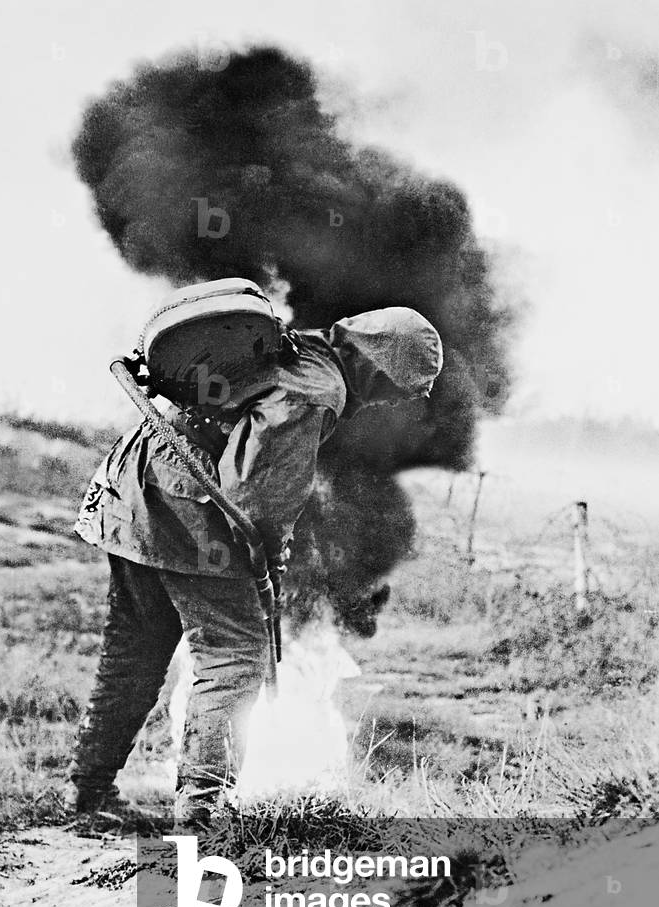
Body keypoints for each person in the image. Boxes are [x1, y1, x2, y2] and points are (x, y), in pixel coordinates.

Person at [68, 283, 443, 824]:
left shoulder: (304, 348)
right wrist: (267, 560)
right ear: (377, 367)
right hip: (187, 502)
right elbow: (255, 498)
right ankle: (203, 816)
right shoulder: (316, 390)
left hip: (137, 484)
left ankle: (86, 795)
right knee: (235, 655)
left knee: (136, 648)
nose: (391, 401)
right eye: (398, 389)